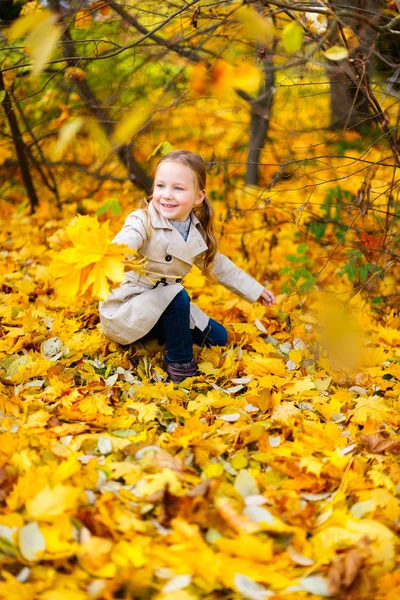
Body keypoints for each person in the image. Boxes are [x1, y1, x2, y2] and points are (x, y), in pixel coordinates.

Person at [99, 150, 275, 382]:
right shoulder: (143, 220)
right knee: (177, 294)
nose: (167, 195)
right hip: (128, 305)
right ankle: (180, 364)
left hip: (163, 305)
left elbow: (218, 265)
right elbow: (129, 237)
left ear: (198, 197)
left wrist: (254, 289)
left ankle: (158, 333)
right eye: (161, 186)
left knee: (218, 337)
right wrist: (116, 252)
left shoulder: (194, 231)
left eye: (178, 188)